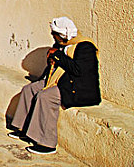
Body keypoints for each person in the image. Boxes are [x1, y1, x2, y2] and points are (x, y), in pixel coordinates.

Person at [7, 16, 101, 155]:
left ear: (63, 34)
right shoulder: (60, 45)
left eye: (55, 34)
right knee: (29, 89)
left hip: (77, 87)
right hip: (57, 81)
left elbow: (78, 70)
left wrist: (57, 55)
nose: (52, 36)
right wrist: (52, 59)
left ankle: (47, 143)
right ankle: (24, 129)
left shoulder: (85, 47)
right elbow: (56, 64)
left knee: (45, 97)